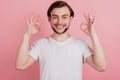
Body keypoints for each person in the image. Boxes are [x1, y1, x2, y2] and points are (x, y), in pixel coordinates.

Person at [16, 0, 107, 80]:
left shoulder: (81, 44)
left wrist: (93, 35)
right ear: (49, 19)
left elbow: (101, 66)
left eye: (64, 17)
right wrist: (27, 35)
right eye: (55, 17)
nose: (59, 22)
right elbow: (21, 65)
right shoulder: (40, 45)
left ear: (70, 18)